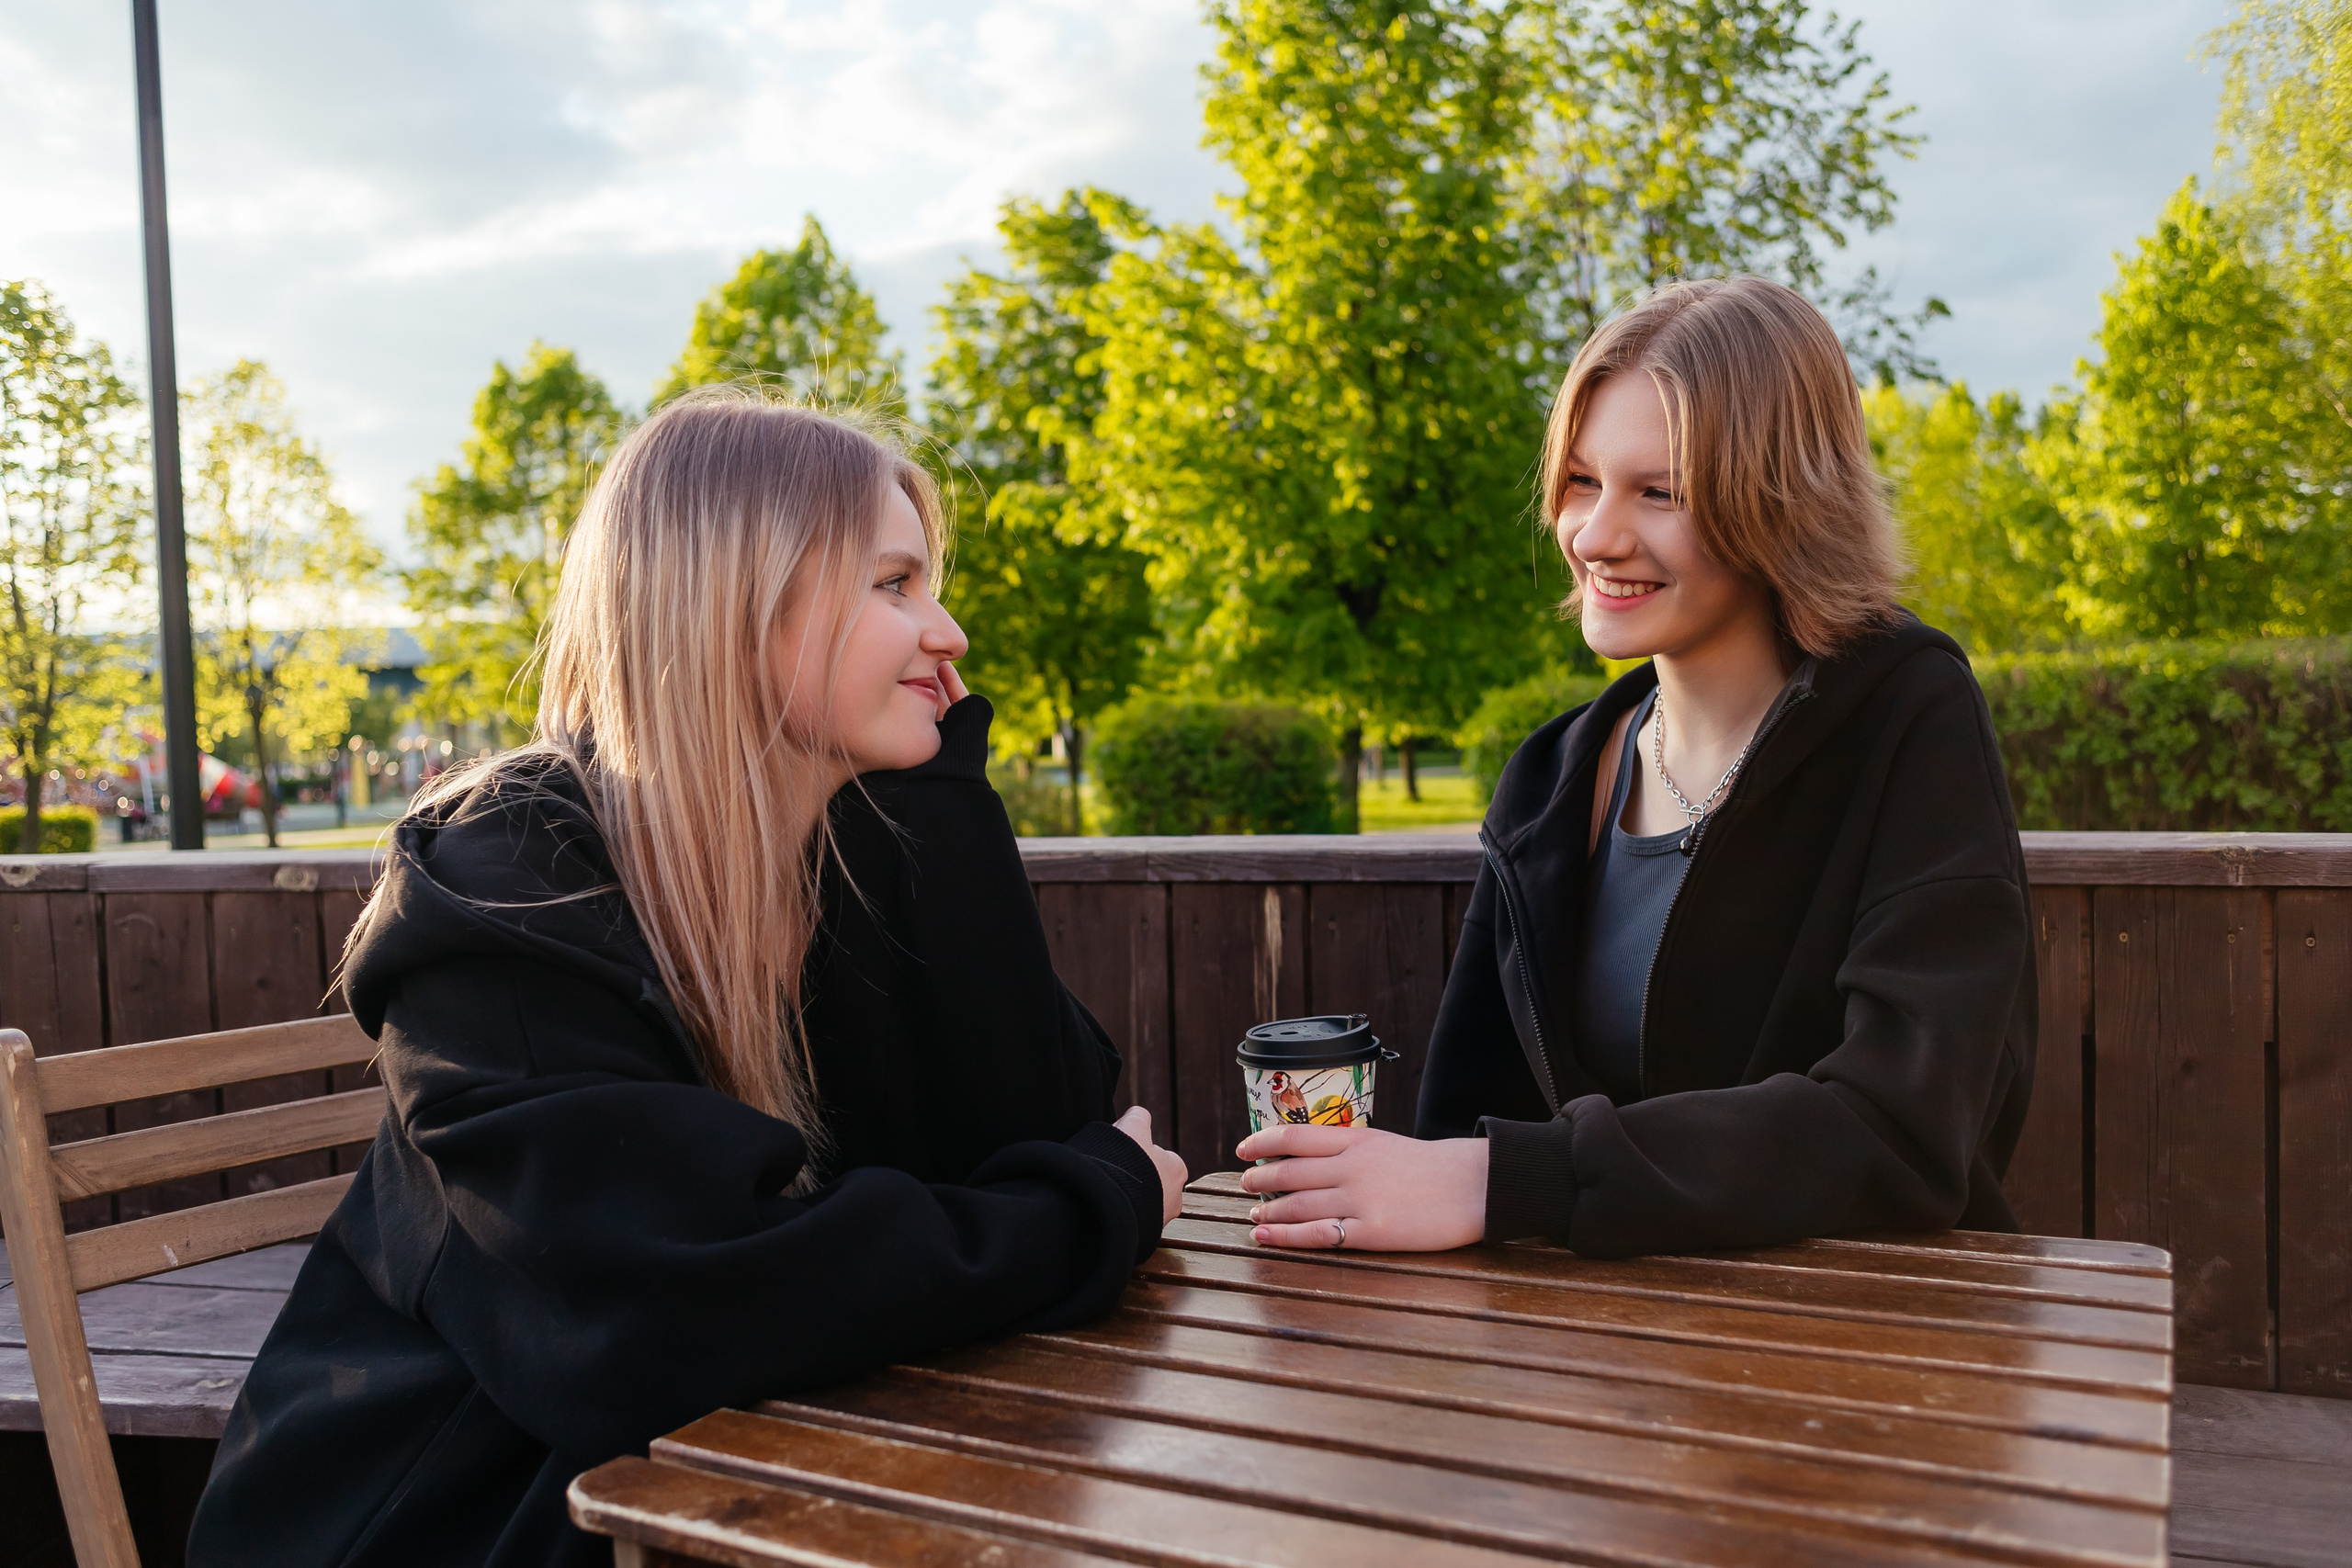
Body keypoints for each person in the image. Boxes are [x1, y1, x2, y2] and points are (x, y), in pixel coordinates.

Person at [187, 392, 1186, 1568]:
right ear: (736, 605)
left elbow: (1033, 1126)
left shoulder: (830, 859)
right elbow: (670, 1309)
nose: (949, 632)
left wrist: (943, 805)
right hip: (460, 1518)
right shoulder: (516, 887)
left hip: (737, 1489)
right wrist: (1090, 1210)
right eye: (895, 585)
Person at [1236, 276, 2034, 1258]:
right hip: (1594, 1346)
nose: (1596, 536)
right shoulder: (1551, 782)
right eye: (1582, 481)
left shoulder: (1908, 713)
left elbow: (1902, 1127)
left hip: (1866, 1331)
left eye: (1659, 492)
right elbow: (1461, 1130)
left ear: (1782, 503)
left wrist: (1521, 1180)